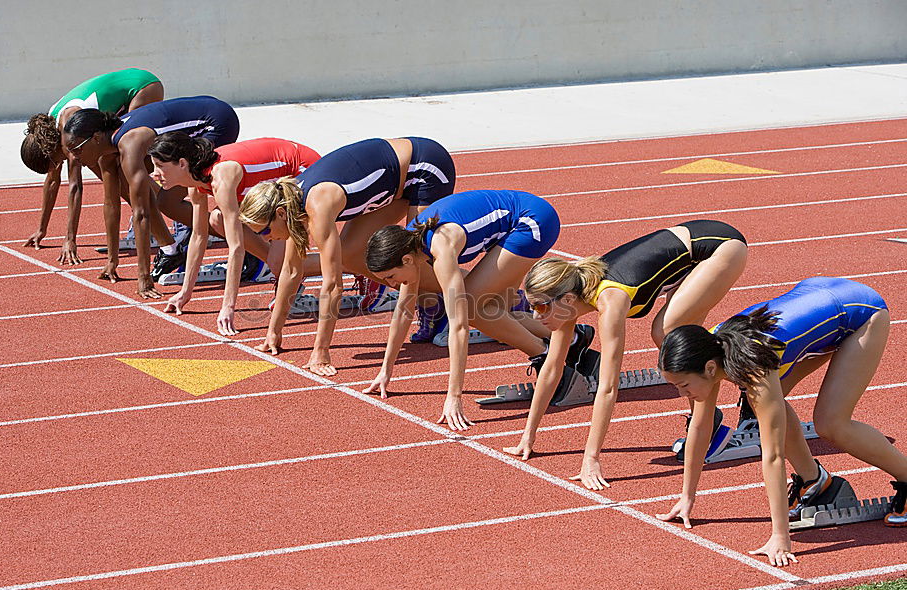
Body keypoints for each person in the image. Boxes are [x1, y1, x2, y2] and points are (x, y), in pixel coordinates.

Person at [656, 277, 907, 566]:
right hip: (819, 298)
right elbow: (701, 428)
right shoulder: (708, 349)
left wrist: (780, 535)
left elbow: (773, 455)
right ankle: (815, 482)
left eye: (683, 385)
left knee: (831, 423)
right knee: (763, 405)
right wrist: (688, 497)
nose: (681, 393)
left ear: (710, 369)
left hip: (860, 313)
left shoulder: (752, 368)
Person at [505, 220, 748, 489]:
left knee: (667, 332)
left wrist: (591, 458)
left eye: (540, 307)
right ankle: (708, 421)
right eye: (532, 306)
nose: (536, 316)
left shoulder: (611, 301)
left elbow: (608, 387)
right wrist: (527, 437)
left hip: (721, 247)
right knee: (676, 335)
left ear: (568, 300)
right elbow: (552, 368)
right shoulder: (567, 302)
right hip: (693, 255)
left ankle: (740, 389)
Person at [362, 189, 595, 430]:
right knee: (496, 312)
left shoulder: (441, 249)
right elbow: (403, 311)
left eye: (390, 277)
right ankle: (573, 338)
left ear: (407, 260)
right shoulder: (409, 244)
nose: (391, 285)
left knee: (471, 310)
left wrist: (454, 396)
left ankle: (545, 357)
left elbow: (460, 326)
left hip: (531, 221)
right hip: (513, 225)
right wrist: (385, 370)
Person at [238, 137, 455, 372]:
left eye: (265, 231)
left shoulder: (316, 205)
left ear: (279, 213)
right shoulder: (291, 204)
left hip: (424, 168)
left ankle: (478, 295)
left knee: (414, 262)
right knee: (351, 256)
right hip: (396, 183)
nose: (266, 239)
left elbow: (332, 285)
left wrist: (321, 352)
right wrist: (273, 332)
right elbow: (292, 270)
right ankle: (433, 301)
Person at [62, 96, 240, 298]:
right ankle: (179, 249)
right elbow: (111, 203)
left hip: (216, 123)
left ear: (95, 138)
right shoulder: (108, 151)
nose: (74, 157)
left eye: (76, 149)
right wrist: (112, 260)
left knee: (168, 202)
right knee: (157, 195)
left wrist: (143, 276)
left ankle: (248, 245)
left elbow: (141, 213)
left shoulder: (129, 145)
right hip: (199, 120)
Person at [148, 133, 321, 335]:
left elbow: (236, 247)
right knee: (216, 219)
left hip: (303, 170)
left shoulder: (222, 179)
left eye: (160, 165)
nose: (154, 174)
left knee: (280, 265)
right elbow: (198, 235)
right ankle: (290, 275)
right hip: (276, 184)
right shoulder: (195, 183)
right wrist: (185, 293)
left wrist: (228, 307)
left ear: (182, 163)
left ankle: (354, 265)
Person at [21, 68, 163, 264]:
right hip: (122, 98)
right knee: (113, 174)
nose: (58, 165)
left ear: (52, 150)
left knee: (131, 167)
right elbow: (52, 181)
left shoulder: (70, 134)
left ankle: (179, 220)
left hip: (141, 88)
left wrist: (70, 240)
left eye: (56, 162)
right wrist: (42, 229)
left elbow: (75, 187)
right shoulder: (49, 133)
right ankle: (152, 223)